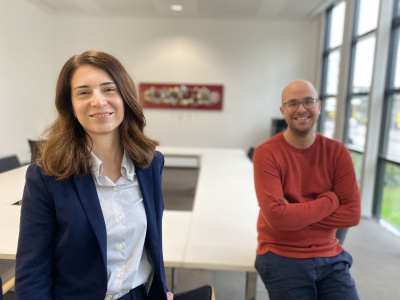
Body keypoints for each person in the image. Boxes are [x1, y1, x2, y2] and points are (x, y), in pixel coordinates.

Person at [15, 50, 173, 300]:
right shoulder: (45, 176)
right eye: (83, 92)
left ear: (125, 97)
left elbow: (152, 240)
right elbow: (32, 270)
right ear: (71, 106)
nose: (98, 101)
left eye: (109, 89)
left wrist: (160, 289)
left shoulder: (151, 163)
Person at [253, 80, 361, 300]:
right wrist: (330, 201)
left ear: (319, 106)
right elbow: (277, 219)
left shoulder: (337, 152)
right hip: (281, 255)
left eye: (308, 101)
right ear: (282, 111)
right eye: (292, 103)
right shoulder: (267, 153)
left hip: (330, 253)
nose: (301, 109)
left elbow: (352, 214)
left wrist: (294, 212)